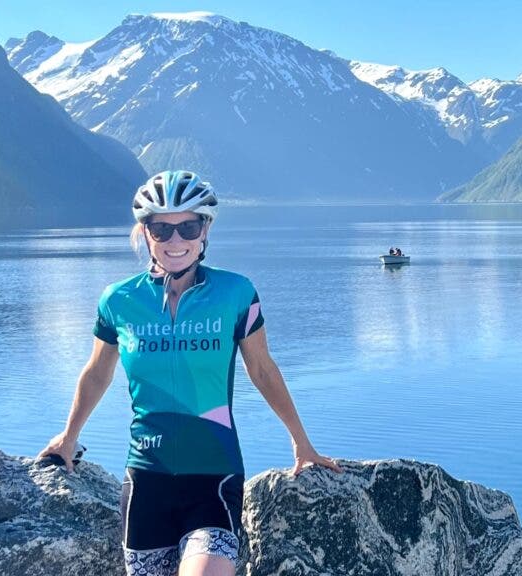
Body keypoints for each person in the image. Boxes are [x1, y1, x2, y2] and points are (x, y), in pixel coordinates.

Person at [38, 170, 341, 576]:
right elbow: (96, 373)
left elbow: (262, 369)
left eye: (188, 227)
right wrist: (68, 436)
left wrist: (301, 443)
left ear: (205, 230)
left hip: (213, 478)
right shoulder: (118, 300)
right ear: (145, 233)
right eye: (162, 229)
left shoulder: (236, 293)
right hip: (146, 480)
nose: (176, 240)